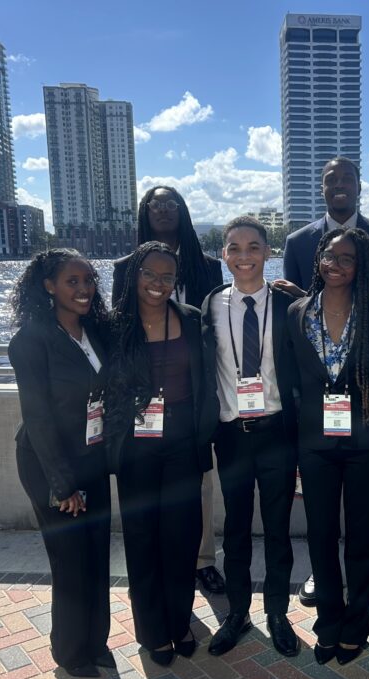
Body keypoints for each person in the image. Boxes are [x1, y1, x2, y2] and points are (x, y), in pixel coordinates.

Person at [281, 155, 369, 610]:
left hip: (365, 396)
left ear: (358, 184)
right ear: (321, 187)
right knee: (322, 509)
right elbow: (295, 321)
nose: (339, 185)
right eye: (330, 179)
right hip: (319, 402)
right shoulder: (298, 242)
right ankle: (323, 573)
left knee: (365, 505)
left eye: (346, 178)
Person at [113, 186, 226, 597]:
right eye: (154, 205)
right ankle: (152, 570)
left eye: (170, 204)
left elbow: (215, 328)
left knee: (199, 488)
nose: (163, 210)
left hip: (188, 395)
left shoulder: (206, 266)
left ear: (183, 212)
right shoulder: (125, 266)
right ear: (144, 212)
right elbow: (116, 333)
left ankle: (202, 561)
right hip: (142, 405)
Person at [106, 242, 212, 667]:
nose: (158, 283)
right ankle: (153, 630)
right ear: (134, 274)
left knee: (182, 537)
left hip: (183, 441)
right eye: (150, 273)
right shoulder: (114, 326)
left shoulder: (190, 319)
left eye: (167, 276)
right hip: (136, 446)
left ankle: (179, 621)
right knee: (143, 538)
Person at [7, 250, 112, 677]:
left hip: (93, 455)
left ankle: (96, 641)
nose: (83, 289)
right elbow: (37, 417)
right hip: (51, 464)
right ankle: (70, 652)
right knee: (69, 559)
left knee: (97, 553)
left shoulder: (95, 332)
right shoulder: (30, 341)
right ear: (49, 286)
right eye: (72, 281)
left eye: (88, 280)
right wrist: (61, 484)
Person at [202, 217, 300, 657]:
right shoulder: (211, 304)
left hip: (277, 431)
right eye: (235, 247)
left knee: (278, 529)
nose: (244, 256)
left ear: (267, 252)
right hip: (232, 436)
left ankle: (278, 613)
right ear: (224, 254)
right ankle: (237, 612)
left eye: (254, 247)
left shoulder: (287, 305)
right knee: (237, 530)